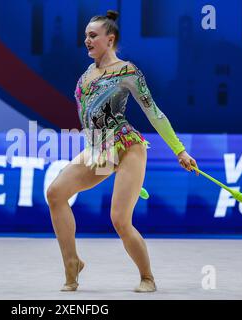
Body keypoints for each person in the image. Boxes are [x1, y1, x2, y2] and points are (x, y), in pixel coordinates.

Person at [46, 10, 199, 293]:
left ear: (110, 39)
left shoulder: (127, 71)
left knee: (119, 219)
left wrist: (180, 151)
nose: (87, 41)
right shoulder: (86, 75)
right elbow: (89, 119)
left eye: (93, 36)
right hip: (99, 149)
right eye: (85, 37)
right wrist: (97, 154)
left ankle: (147, 277)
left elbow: (155, 113)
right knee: (55, 194)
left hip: (128, 146)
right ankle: (72, 263)